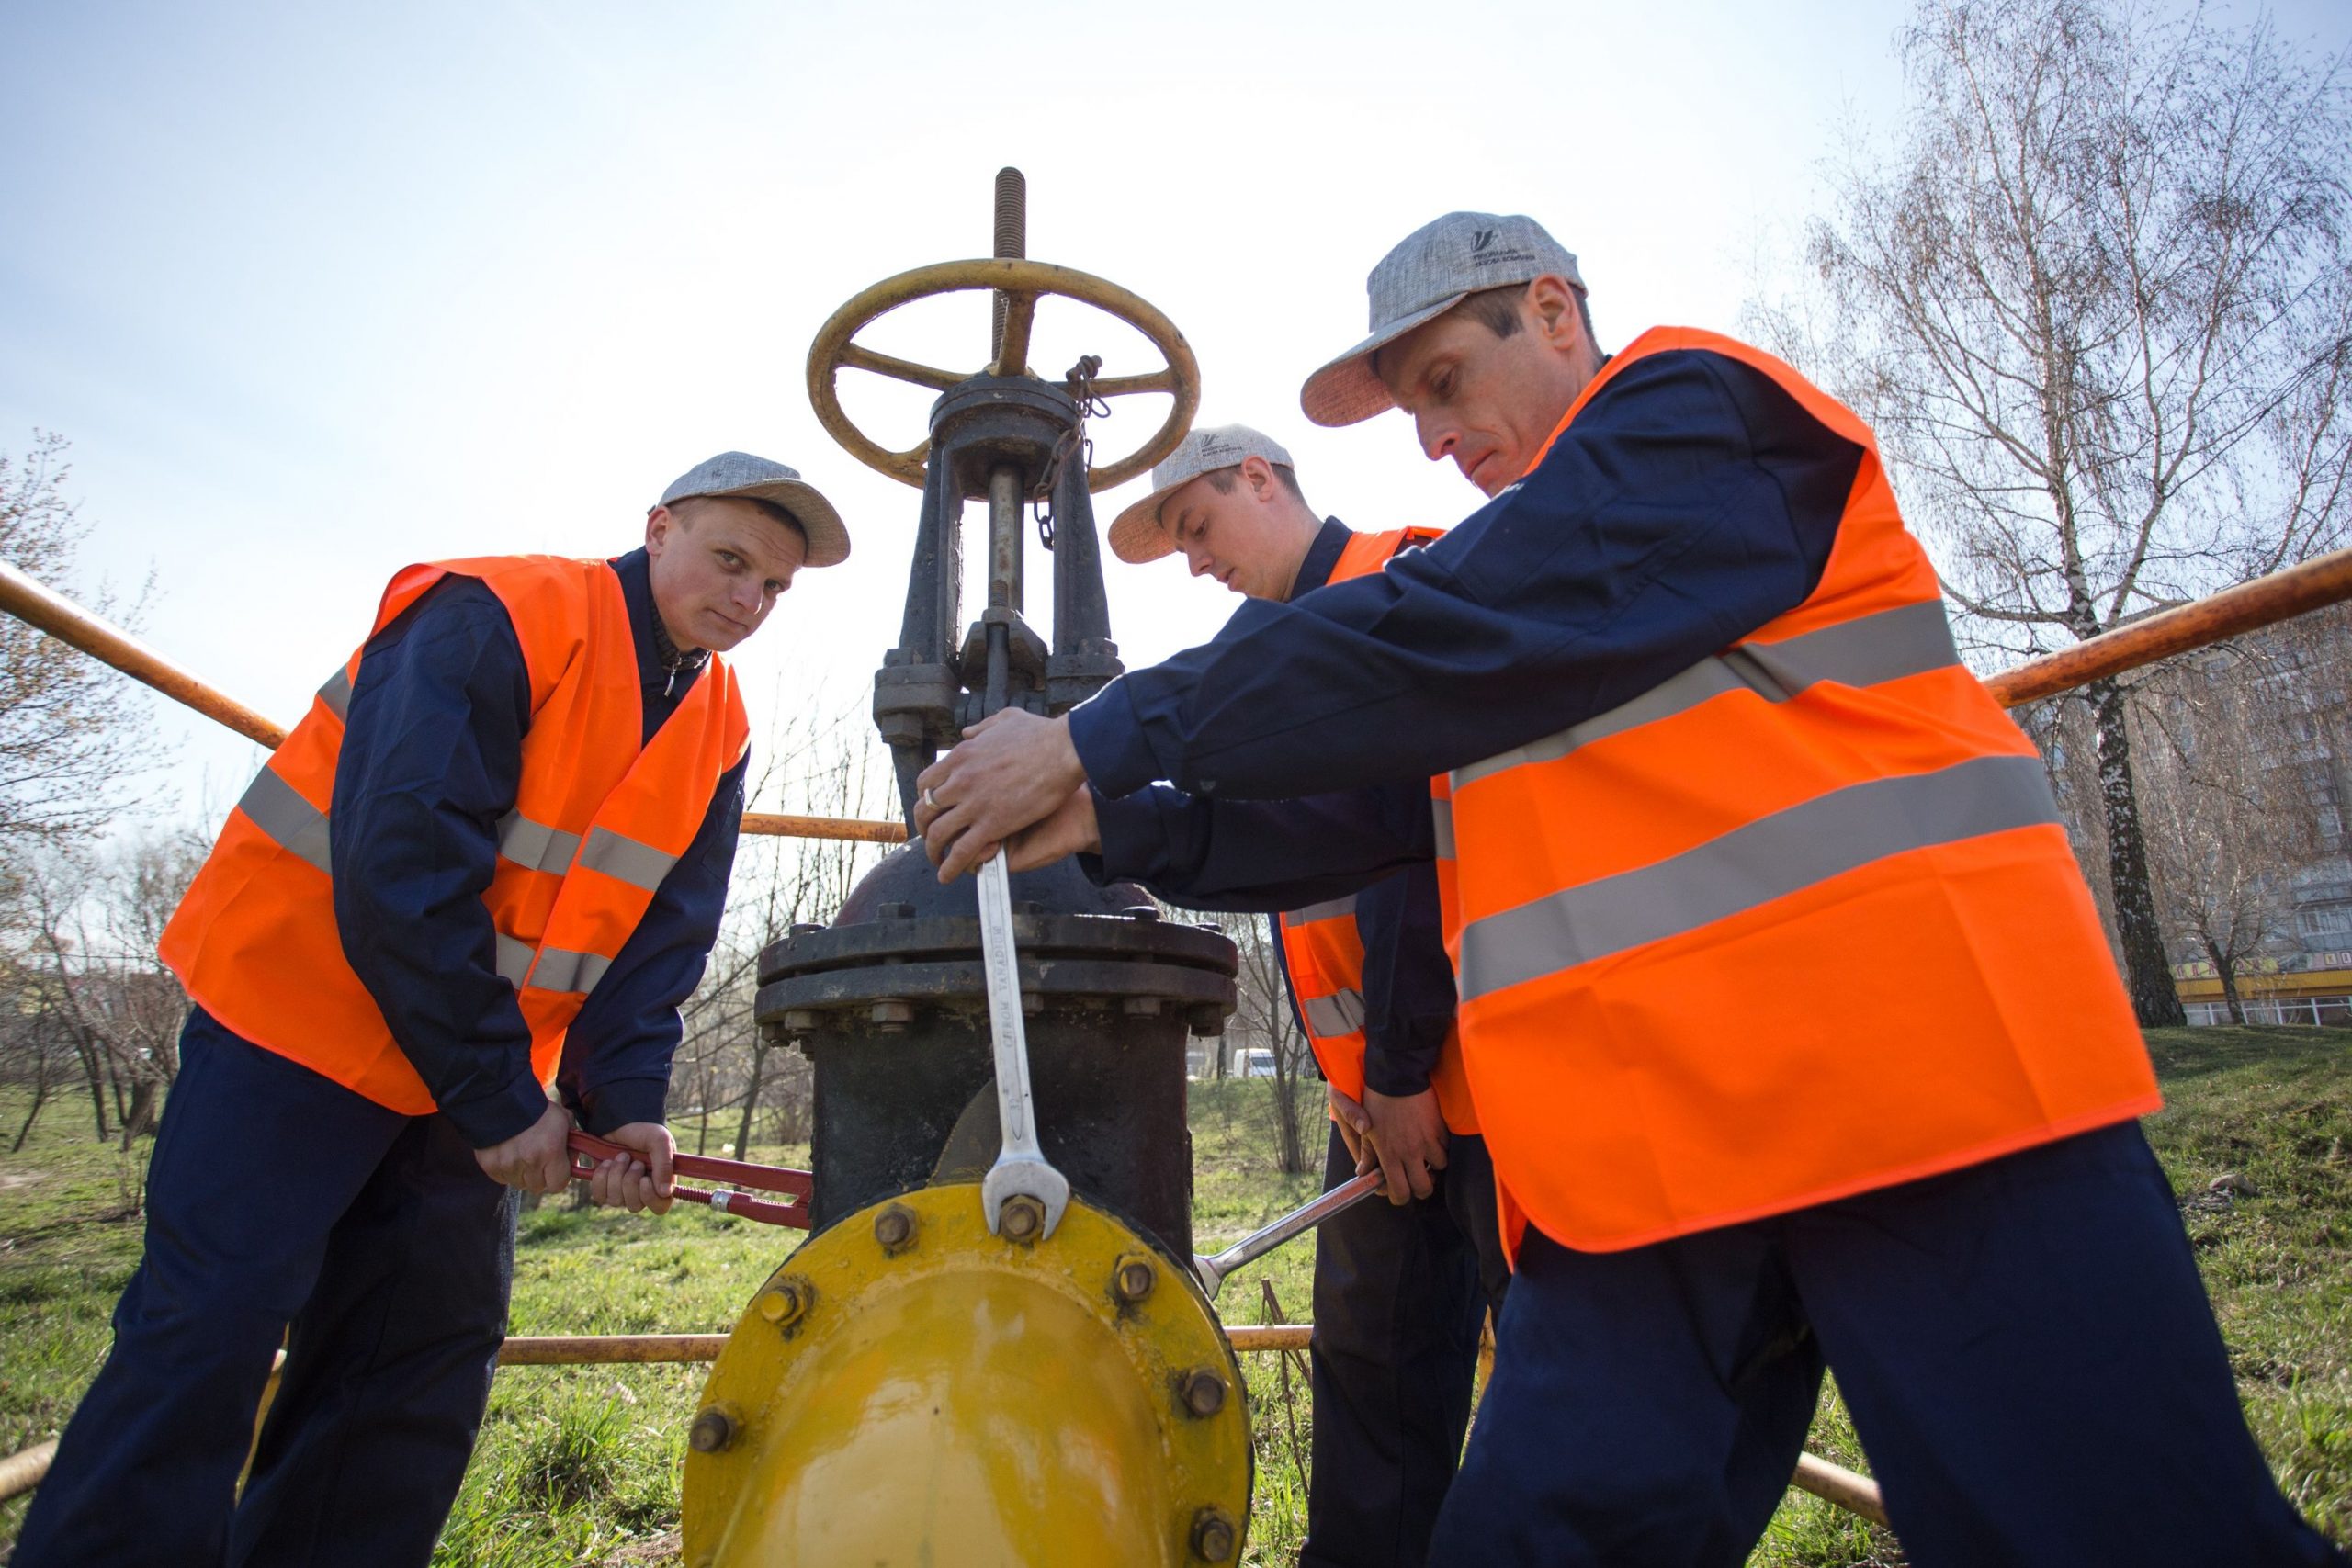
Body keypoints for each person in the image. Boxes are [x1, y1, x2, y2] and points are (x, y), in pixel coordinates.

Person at [910, 214, 2349, 1566]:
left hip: (1924, 1099)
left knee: (2112, 1527)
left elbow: (1443, 631)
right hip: (1657, 1173)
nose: (1435, 431)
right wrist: (1117, 820)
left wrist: (1110, 728)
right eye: (1415, 405)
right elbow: (1378, 810)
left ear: (1553, 310)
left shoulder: (1699, 421)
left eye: (1448, 378)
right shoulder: (1530, 587)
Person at [15, 453, 850, 1568]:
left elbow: (660, 944)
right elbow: (401, 862)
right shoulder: (497, 613)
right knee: (209, 1336)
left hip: (464, 1078)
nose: (746, 599)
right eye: (730, 560)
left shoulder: (719, 724)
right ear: (658, 529)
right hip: (298, 1024)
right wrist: (504, 1101)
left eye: (773, 588)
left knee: (416, 1363)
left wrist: (628, 1105)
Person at [1100, 423, 1508, 1567]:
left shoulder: (1402, 577)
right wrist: (1359, 1087)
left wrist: (1400, 1072)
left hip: (1476, 1078)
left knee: (1543, 1356)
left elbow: (1417, 850)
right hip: (1375, 1100)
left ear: (1262, 479)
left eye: (1197, 528)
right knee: (1372, 1371)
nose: (1196, 562)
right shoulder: (1265, 662)